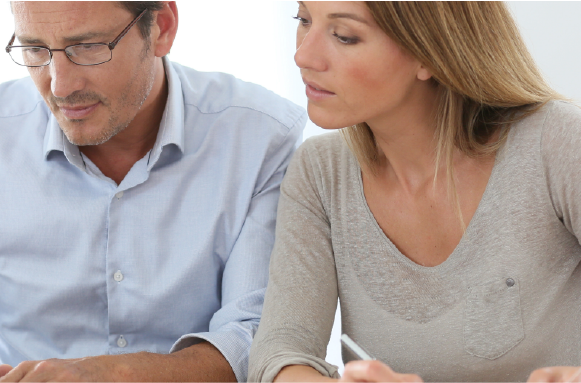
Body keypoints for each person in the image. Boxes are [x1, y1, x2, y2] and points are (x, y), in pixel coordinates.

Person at [0, 1, 306, 383]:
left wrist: (114, 375)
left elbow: (258, 339)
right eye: (36, 49)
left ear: (162, 27)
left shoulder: (261, 138)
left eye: (87, 47)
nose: (60, 86)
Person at [248, 1, 581, 383]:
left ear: (430, 52)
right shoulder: (321, 172)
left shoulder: (557, 144)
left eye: (345, 36)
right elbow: (280, 355)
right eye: (304, 20)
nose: (303, 55)